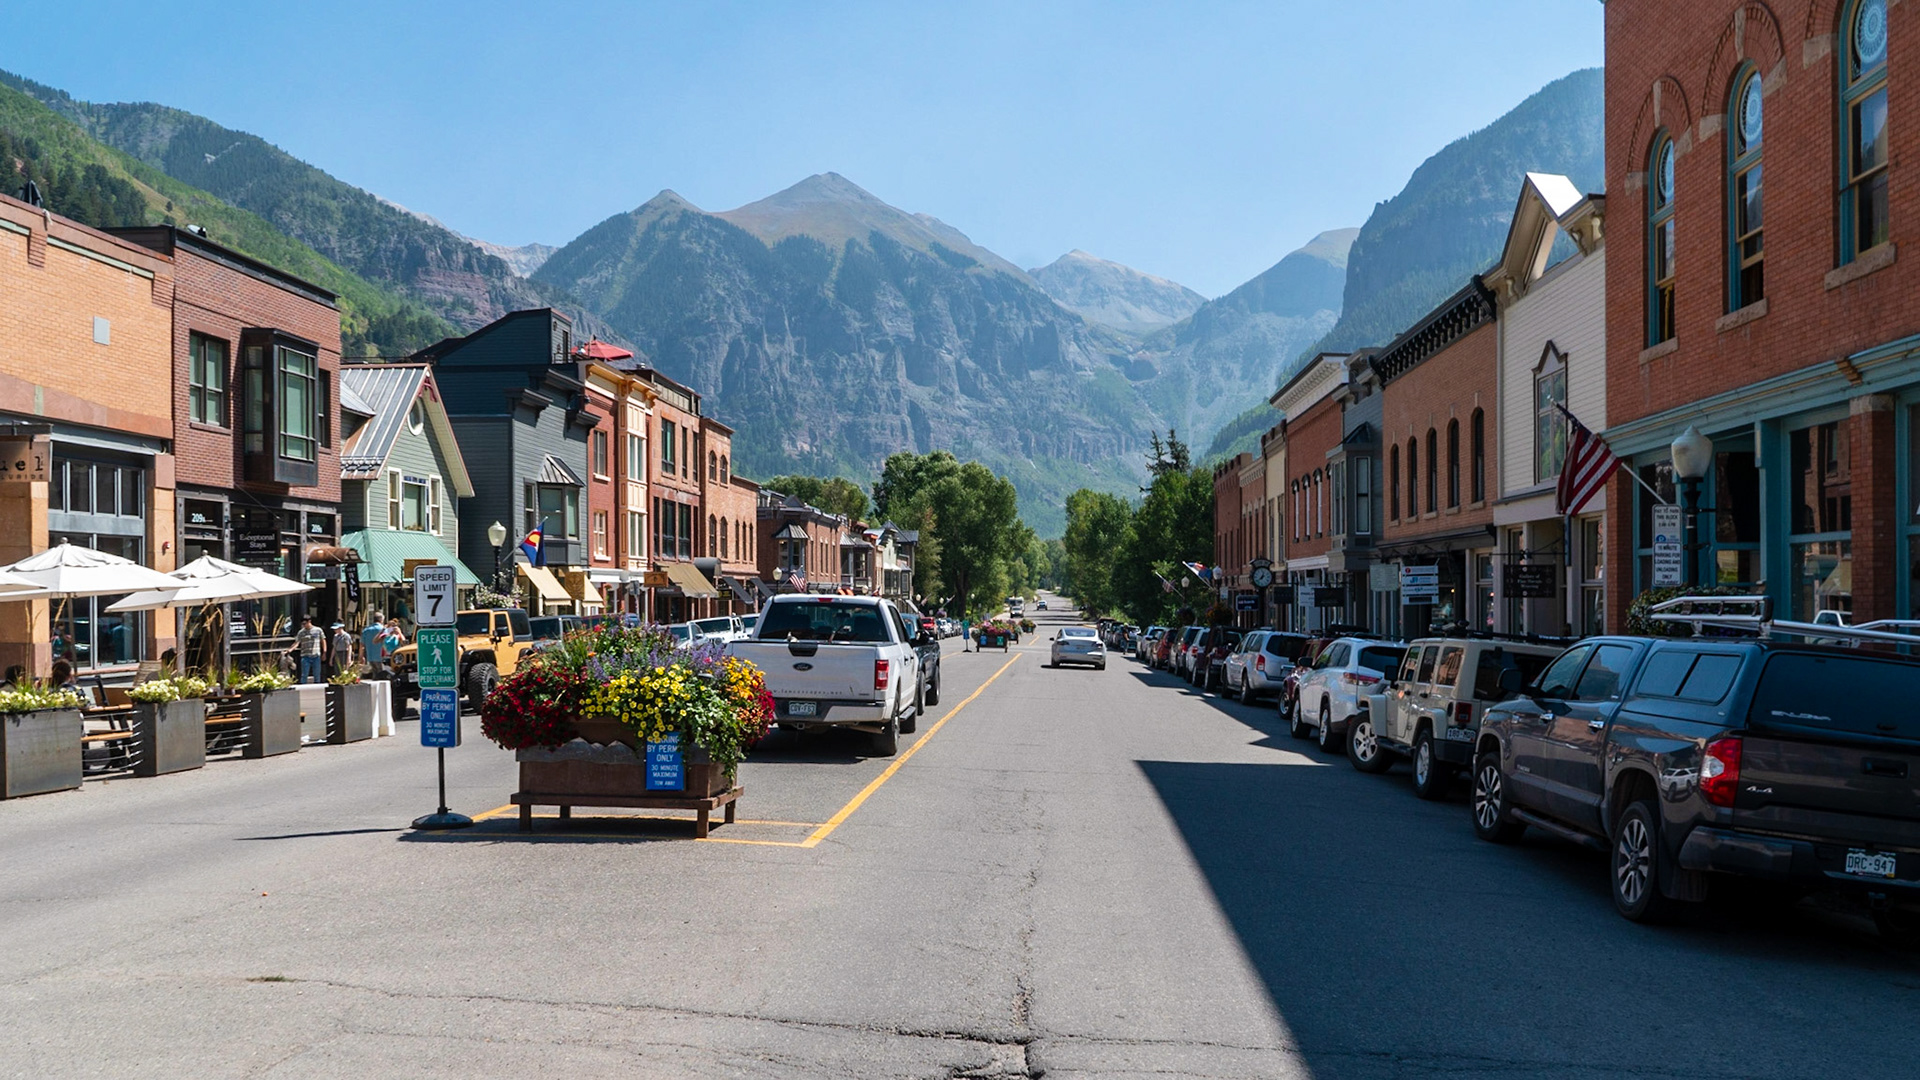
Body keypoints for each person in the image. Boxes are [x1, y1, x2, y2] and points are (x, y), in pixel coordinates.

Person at [290, 615, 326, 684]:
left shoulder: (318, 630)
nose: (304, 625)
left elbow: (323, 641)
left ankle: (317, 689)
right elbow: (297, 642)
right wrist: (290, 649)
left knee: (317, 674)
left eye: (305, 623)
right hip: (305, 656)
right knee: (304, 675)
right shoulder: (301, 632)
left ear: (309, 621)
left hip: (316, 655)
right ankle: (303, 689)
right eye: (302, 624)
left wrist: (324, 652)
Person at [361, 613, 388, 678]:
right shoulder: (383, 630)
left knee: (375, 675)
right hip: (381, 657)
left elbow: (362, 645)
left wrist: (361, 656)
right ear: (381, 620)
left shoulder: (366, 630)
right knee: (383, 676)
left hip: (370, 657)